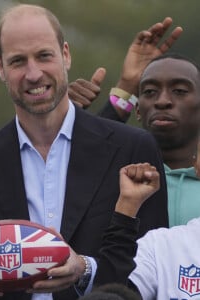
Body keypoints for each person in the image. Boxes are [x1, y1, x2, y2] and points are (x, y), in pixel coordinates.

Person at [0, 4, 168, 300]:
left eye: (44, 56)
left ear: (65, 54)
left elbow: (153, 270)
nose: (34, 73)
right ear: (0, 67)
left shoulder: (133, 149)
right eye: (18, 61)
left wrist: (84, 270)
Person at [70, 18, 200, 227]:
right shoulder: (122, 180)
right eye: (149, 92)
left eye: (179, 91)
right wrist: (128, 86)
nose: (163, 101)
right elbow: (93, 161)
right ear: (138, 108)